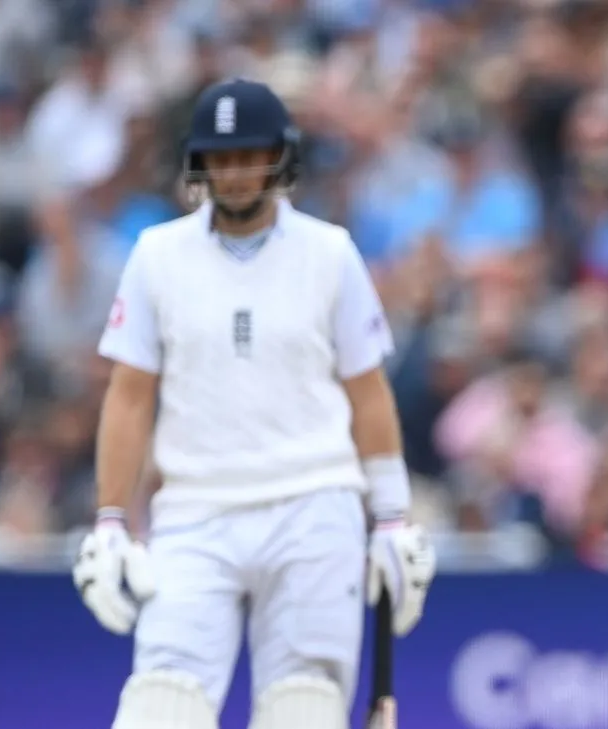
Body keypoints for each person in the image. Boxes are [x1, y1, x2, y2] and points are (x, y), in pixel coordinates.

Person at [72, 78, 437, 729]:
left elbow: (367, 390)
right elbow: (129, 397)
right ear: (199, 163)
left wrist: (391, 517)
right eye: (221, 157)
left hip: (313, 504)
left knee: (303, 708)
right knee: (160, 709)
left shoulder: (331, 254)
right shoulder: (159, 255)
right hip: (195, 508)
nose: (235, 173)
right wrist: (108, 519)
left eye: (249, 155)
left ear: (281, 157)